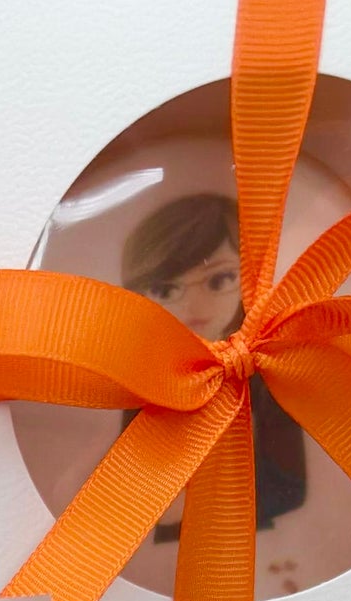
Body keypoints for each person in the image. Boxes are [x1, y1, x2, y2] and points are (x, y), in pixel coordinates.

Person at [121, 190, 308, 543]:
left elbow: (291, 486)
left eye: (219, 280)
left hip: (262, 538)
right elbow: (129, 492)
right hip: (169, 547)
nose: (195, 305)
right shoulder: (146, 377)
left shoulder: (266, 368)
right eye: (165, 289)